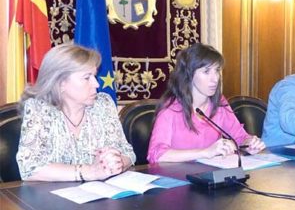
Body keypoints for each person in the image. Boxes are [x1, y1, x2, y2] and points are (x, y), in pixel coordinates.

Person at [16, 43, 136, 181]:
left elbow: (128, 152)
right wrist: (90, 172)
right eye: (87, 78)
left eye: (94, 76)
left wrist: (116, 161)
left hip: (99, 195)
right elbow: (30, 168)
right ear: (60, 83)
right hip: (50, 199)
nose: (96, 84)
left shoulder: (103, 104)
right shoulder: (39, 109)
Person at [147, 43, 265, 163]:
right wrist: (206, 152)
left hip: (209, 176)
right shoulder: (171, 108)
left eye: (217, 70)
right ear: (189, 74)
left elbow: (240, 137)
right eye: (206, 72)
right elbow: (156, 154)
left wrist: (249, 143)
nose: (215, 79)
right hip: (178, 177)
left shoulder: (219, 103)